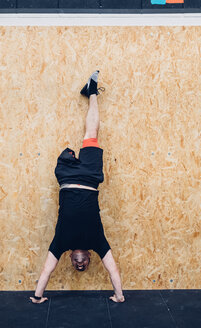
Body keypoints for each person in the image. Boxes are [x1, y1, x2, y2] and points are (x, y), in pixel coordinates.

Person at [29, 71, 125, 304]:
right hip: (91, 178)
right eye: (83, 264)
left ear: (70, 258)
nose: (80, 263)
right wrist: (119, 296)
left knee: (84, 140)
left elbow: (46, 272)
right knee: (92, 133)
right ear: (90, 257)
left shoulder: (61, 242)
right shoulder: (97, 242)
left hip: (67, 177)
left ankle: (90, 92)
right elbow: (113, 270)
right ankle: (91, 91)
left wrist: (38, 297)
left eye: (76, 264)